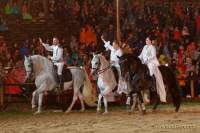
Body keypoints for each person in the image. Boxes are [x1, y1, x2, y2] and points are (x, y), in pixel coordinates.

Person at [138, 36, 166, 103]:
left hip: (152, 62)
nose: (146, 41)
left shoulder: (152, 47)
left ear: (150, 41)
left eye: (147, 40)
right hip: (144, 62)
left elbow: (153, 56)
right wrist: (138, 58)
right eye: (146, 40)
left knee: (150, 69)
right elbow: (141, 55)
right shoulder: (144, 47)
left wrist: (147, 60)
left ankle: (152, 83)